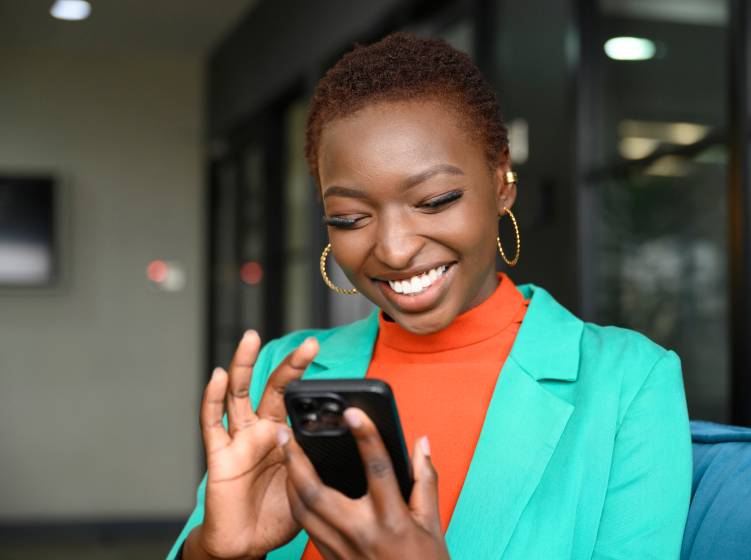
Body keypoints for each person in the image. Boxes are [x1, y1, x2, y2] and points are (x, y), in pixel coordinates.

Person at [168, 32, 691, 560]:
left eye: (435, 201)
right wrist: (213, 553)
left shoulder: (628, 382)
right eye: (350, 218)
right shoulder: (283, 375)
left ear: (502, 180)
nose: (394, 251)